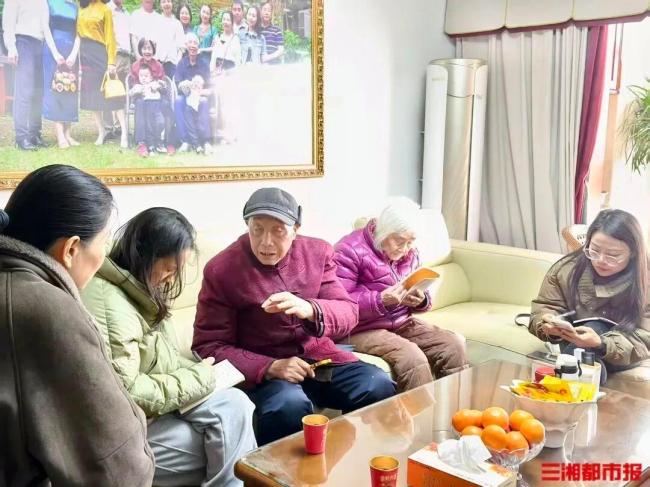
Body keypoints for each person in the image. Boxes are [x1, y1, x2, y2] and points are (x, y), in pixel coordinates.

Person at [193, 188, 396, 445]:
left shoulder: (318, 253)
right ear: (247, 226)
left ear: (295, 229)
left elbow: (348, 312)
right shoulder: (222, 269)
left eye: (278, 231)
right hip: (264, 371)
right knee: (288, 405)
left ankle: (356, 458)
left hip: (319, 359)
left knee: (377, 383)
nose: (266, 242)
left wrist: (310, 308)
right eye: (257, 229)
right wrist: (269, 367)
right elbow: (208, 345)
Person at [0, 164, 154, 485]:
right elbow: (116, 467)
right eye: (103, 242)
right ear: (70, 249)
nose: (103, 257)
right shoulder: (45, 309)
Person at [82, 207, 256, 487]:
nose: (173, 279)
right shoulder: (108, 301)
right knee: (232, 442)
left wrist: (204, 372)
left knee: (236, 406)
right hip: (122, 431)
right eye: (170, 268)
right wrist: (200, 376)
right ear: (146, 255)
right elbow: (126, 391)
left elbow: (162, 362)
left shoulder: (139, 290)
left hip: (154, 414)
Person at [333, 198, 469, 391]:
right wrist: (380, 300)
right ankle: (421, 412)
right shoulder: (349, 249)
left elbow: (417, 284)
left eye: (410, 242)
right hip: (359, 328)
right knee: (412, 359)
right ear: (384, 232)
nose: (405, 249)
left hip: (401, 322)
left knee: (453, 345)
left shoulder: (410, 252)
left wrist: (420, 300)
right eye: (399, 241)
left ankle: (453, 406)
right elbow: (337, 304)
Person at [529, 209, 650, 384]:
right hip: (574, 341)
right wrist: (548, 324)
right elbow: (546, 307)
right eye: (594, 250)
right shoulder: (566, 269)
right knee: (587, 358)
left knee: (595, 328)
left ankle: (564, 386)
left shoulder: (645, 278)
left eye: (613, 255)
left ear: (633, 253)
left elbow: (645, 336)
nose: (600, 260)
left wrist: (601, 343)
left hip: (625, 349)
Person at [78, 0, 128, 148]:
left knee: (113, 94)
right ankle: (102, 131)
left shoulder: (105, 9)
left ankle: (124, 132)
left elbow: (110, 37)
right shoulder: (81, 8)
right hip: (85, 55)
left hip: (100, 53)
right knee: (92, 96)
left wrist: (111, 62)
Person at [2, 0, 47, 150]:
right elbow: (8, 23)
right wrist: (11, 47)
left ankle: (35, 134)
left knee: (38, 92)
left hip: (40, 44)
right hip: (23, 42)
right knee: (24, 91)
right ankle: (21, 137)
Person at [42, 0, 80, 149]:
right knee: (56, 89)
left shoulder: (75, 6)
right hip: (53, 50)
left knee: (70, 89)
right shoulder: (49, 3)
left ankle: (68, 133)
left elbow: (79, 33)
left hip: (71, 51)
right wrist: (55, 53)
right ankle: (59, 135)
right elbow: (46, 28)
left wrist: (74, 54)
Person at [174, 33, 212, 154]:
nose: (192, 45)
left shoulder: (204, 64)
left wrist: (200, 92)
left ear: (198, 46)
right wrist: (185, 86)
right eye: (190, 42)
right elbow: (178, 84)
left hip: (199, 96)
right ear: (186, 46)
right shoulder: (181, 63)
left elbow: (209, 87)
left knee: (204, 101)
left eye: (195, 43)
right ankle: (185, 141)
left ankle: (206, 142)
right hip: (186, 96)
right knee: (178, 101)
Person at [210, 10, 241, 144]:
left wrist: (232, 75)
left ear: (232, 22)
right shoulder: (217, 37)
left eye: (228, 20)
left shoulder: (235, 39)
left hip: (230, 77)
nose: (226, 22)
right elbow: (213, 58)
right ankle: (221, 135)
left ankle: (231, 135)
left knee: (230, 106)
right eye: (224, 19)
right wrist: (212, 72)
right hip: (218, 76)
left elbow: (238, 61)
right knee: (220, 106)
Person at [129, 66, 165, 156]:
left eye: (146, 76)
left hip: (157, 106)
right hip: (148, 107)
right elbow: (130, 93)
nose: (143, 78)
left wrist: (159, 85)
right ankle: (151, 146)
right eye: (141, 76)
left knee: (160, 123)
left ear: (151, 77)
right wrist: (136, 91)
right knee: (149, 126)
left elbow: (163, 89)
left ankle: (158, 141)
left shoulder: (154, 83)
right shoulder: (138, 86)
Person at [157, 0, 185, 78]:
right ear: (160, 4)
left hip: (172, 64)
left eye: (168, 1)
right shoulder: (156, 21)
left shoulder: (177, 23)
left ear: (172, 3)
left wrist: (177, 63)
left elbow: (181, 48)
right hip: (157, 63)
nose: (166, 4)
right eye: (163, 2)